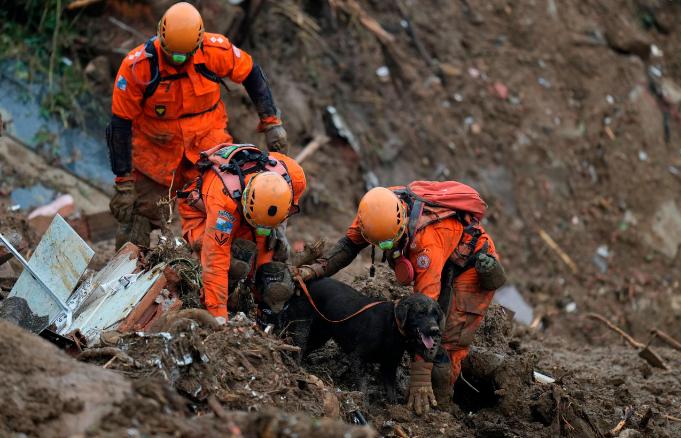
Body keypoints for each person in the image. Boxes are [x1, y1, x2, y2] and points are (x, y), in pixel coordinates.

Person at [296, 182, 506, 415]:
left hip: (470, 265)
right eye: (380, 245)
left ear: (402, 224)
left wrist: (420, 378)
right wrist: (313, 271)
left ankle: (443, 407)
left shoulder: (427, 240)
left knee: (446, 339)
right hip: (441, 254)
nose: (386, 248)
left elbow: (426, 304)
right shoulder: (374, 213)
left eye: (389, 243)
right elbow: (347, 247)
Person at [107, 2, 289, 249]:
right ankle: (125, 274)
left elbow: (252, 74)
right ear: (161, 37)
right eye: (173, 54)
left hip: (209, 149)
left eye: (185, 55)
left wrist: (271, 123)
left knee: (224, 207)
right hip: (156, 154)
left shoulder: (216, 51)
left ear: (199, 43)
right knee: (139, 217)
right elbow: (120, 125)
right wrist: (124, 182)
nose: (178, 60)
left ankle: (229, 263)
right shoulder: (137, 67)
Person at [178, 143, 306, 324]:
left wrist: (278, 232)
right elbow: (215, 263)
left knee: (268, 271)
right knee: (235, 263)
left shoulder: (294, 177)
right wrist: (218, 319)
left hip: (254, 216)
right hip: (202, 214)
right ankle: (221, 300)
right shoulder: (224, 208)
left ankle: (260, 310)